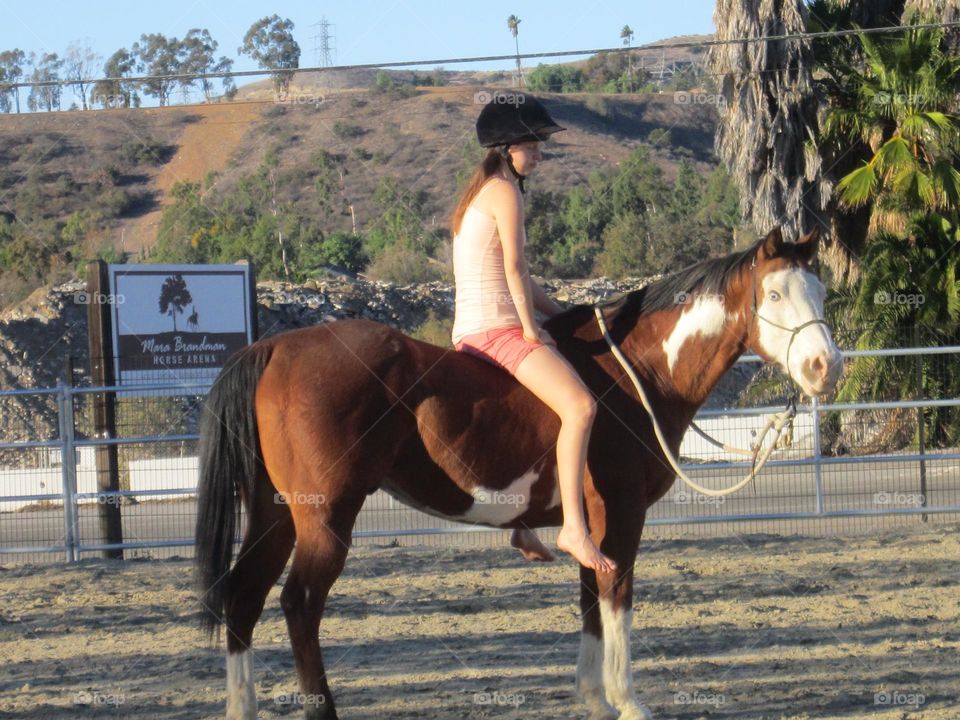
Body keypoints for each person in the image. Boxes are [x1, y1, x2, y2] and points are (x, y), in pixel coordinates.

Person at [450, 93, 616, 574]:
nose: (540, 152)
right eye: (534, 144)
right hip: (497, 330)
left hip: (470, 329)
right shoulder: (505, 191)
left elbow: (520, 277)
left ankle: (522, 520)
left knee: (547, 409)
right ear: (507, 148)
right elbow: (517, 269)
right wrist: (529, 329)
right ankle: (574, 529)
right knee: (582, 407)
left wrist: (560, 312)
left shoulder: (481, 191)